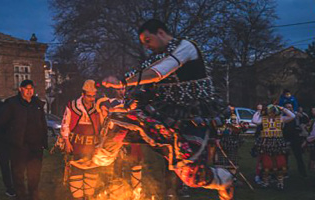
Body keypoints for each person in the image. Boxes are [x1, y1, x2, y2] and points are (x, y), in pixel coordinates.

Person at [71, 19, 234, 200]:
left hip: (191, 116)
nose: (147, 47)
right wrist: (126, 88)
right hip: (165, 114)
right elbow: (147, 76)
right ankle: (99, 159)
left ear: (160, 33)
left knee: (191, 176)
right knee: (121, 120)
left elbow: (159, 72)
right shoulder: (159, 56)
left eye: (148, 41)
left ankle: (223, 180)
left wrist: (123, 81)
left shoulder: (186, 47)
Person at [0, 80, 48, 200]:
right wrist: (11, 139)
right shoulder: (12, 104)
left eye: (31, 88)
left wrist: (43, 141)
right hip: (19, 146)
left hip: (36, 146)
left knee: (35, 173)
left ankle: (33, 195)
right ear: (20, 89)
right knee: (18, 174)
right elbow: (3, 123)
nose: (29, 91)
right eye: (26, 88)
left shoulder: (37, 104)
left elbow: (43, 123)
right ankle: (21, 196)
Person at [97, 87, 144, 198]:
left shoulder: (131, 103)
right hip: (115, 141)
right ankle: (115, 195)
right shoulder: (109, 103)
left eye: (123, 89)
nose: (121, 91)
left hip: (129, 140)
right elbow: (109, 114)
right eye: (119, 89)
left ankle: (136, 194)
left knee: (135, 165)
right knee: (115, 171)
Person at [60, 80, 101, 199]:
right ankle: (78, 197)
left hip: (91, 145)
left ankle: (89, 196)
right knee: (76, 170)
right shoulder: (72, 106)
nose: (91, 99)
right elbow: (65, 124)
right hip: (75, 144)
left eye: (94, 96)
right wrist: (67, 142)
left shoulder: (97, 106)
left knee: (91, 170)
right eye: (89, 96)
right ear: (83, 94)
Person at [252, 104, 295, 190]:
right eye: (270, 112)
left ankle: (280, 182)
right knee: (266, 162)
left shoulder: (281, 118)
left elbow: (292, 116)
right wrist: (259, 111)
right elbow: (255, 121)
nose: (271, 114)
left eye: (273, 112)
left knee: (280, 162)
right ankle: (266, 182)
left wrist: (282, 108)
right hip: (266, 143)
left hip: (278, 143)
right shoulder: (263, 119)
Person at [283, 103, 307, 177]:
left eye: (290, 107)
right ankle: (285, 172)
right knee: (285, 156)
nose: (289, 108)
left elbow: (305, 120)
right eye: (287, 107)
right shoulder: (283, 117)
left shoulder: (296, 115)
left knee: (298, 155)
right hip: (286, 137)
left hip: (295, 137)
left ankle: (302, 172)